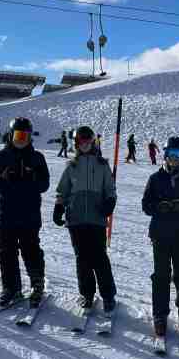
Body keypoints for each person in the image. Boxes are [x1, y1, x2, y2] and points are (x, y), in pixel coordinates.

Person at [142, 136, 179, 339]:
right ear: (165, 155)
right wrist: (159, 206)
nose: (175, 158)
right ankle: (160, 314)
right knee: (161, 275)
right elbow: (146, 205)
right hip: (160, 234)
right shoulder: (156, 178)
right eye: (171, 154)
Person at [54, 125, 117, 313]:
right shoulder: (71, 166)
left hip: (97, 218)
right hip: (76, 219)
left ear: (93, 142)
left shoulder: (102, 165)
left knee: (99, 258)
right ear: (76, 144)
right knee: (82, 259)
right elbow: (62, 190)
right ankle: (87, 294)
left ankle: (108, 295)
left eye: (88, 141)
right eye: (81, 142)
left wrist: (110, 202)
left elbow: (110, 189)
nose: (85, 145)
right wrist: (59, 207)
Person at [0, 117, 50, 308]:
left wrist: (33, 177)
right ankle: (11, 288)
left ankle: (37, 285)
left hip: (29, 215)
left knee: (31, 250)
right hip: (5, 213)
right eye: (18, 135)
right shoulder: (1, 156)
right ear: (11, 135)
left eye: (25, 136)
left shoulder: (37, 158)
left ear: (30, 137)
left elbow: (44, 185)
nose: (21, 139)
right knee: (6, 252)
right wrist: (4, 177)